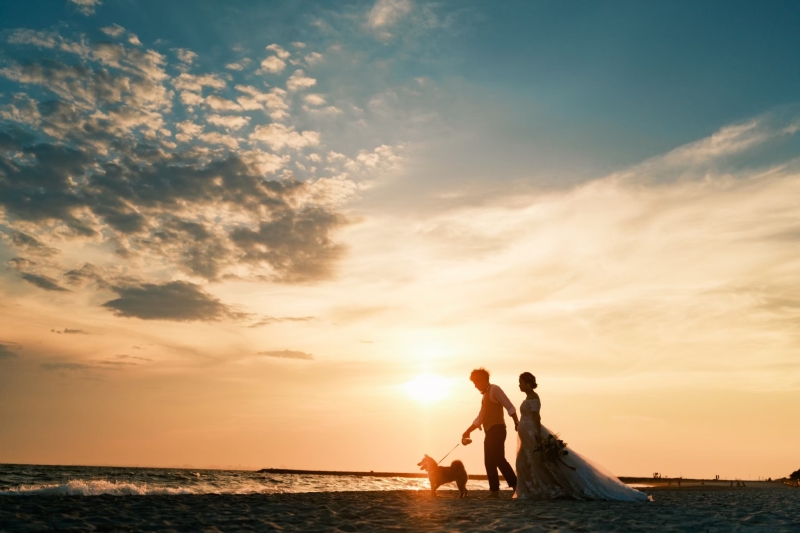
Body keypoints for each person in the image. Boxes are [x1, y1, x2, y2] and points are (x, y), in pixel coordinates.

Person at [514, 372, 650, 501]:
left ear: (528, 383)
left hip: (532, 434)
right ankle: (527, 490)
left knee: (539, 463)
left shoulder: (534, 398)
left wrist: (538, 435)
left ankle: (545, 489)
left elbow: (536, 417)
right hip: (526, 435)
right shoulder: (528, 398)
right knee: (522, 463)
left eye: (521, 382)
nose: (519, 385)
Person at [461, 368, 518, 497]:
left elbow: (508, 405)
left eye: (476, 382)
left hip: (498, 429)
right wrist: (467, 431)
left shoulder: (494, 389)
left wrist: (516, 421)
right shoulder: (485, 396)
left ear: (483, 379)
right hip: (489, 431)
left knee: (499, 459)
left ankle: (515, 486)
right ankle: (494, 491)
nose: (475, 386)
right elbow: (481, 417)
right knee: (489, 461)